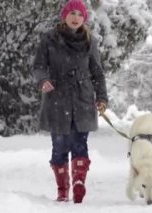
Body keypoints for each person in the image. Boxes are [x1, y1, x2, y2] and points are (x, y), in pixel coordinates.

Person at [32, 0, 108, 204]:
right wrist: (43, 80)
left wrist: (101, 98)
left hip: (83, 99)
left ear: (84, 19)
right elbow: (38, 66)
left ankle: (79, 183)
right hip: (57, 98)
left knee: (80, 144)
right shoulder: (49, 39)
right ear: (64, 15)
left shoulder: (89, 41)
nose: (76, 18)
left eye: (80, 14)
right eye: (72, 13)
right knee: (59, 147)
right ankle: (63, 189)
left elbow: (97, 73)